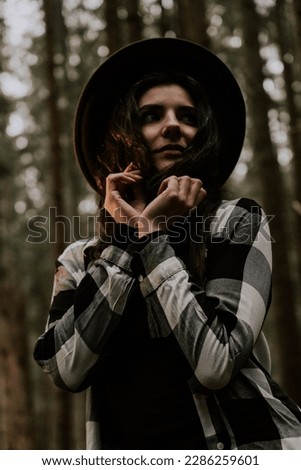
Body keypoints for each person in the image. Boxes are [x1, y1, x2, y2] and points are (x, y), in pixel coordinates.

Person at [33, 38, 301, 450]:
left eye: (188, 116)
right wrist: (129, 236)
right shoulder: (80, 258)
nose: (173, 126)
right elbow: (66, 370)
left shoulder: (238, 222)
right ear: (122, 133)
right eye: (151, 115)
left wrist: (154, 235)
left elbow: (216, 363)